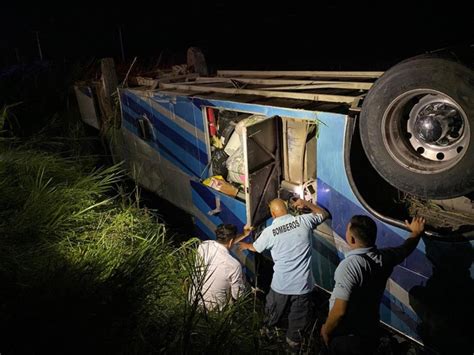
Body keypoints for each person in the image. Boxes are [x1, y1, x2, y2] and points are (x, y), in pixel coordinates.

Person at [320, 215, 426, 355]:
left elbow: (339, 311)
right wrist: (416, 233)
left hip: (348, 337)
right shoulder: (385, 257)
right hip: (369, 331)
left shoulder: (350, 266)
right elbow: (405, 249)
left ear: (351, 238)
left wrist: (326, 330)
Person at [239, 198, 329, 349]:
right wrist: (306, 203)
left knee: (272, 314)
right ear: (287, 210)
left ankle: (265, 337)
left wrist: (246, 245)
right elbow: (323, 214)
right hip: (303, 286)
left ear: (273, 214)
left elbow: (256, 248)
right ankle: (293, 345)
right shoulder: (304, 221)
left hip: (280, 285)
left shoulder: (269, 232)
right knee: (298, 320)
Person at [193, 223, 251, 310]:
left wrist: (243, 235)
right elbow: (238, 296)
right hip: (214, 311)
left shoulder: (203, 246)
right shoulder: (234, 265)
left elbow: (225, 243)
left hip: (194, 301)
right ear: (231, 241)